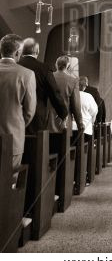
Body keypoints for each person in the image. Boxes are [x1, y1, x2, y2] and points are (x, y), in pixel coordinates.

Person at [0, 34, 36, 181]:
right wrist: (18, 125)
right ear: (17, 53)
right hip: (13, 136)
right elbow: (29, 111)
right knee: (9, 181)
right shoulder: (26, 74)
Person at [19, 38, 68, 133]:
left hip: (15, 115)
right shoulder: (44, 69)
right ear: (37, 51)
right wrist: (63, 113)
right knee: (34, 146)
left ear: (22, 51)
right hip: (36, 116)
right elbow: (54, 93)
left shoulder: (16, 65)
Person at [49, 55, 84, 133]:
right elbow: (76, 106)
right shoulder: (73, 81)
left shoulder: (48, 77)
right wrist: (80, 123)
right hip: (65, 123)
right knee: (64, 144)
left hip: (48, 122)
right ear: (68, 66)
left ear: (56, 65)